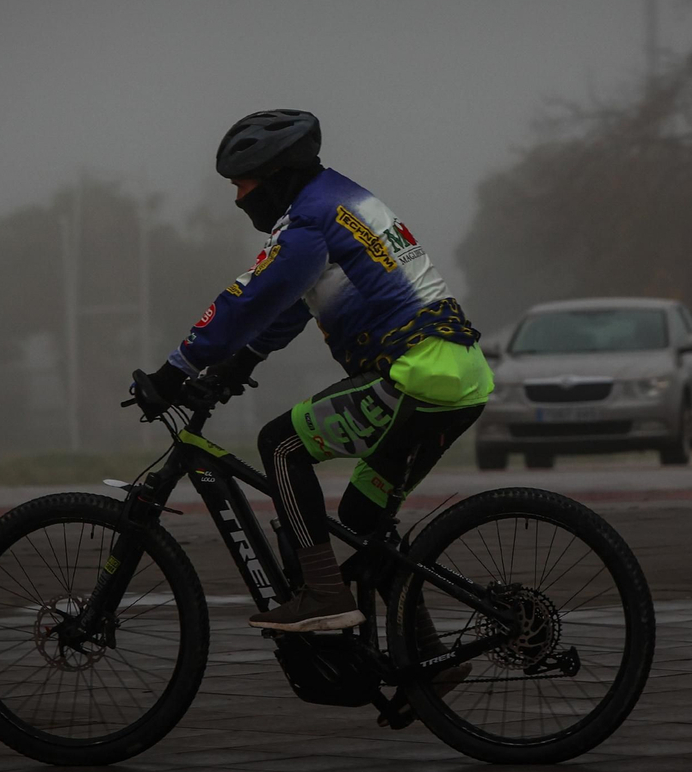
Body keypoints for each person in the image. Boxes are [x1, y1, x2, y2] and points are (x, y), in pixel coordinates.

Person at [137, 109, 494, 633]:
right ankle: (425, 658)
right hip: (459, 377)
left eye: (243, 184)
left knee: (281, 445)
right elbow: (295, 305)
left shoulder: (306, 223)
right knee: (360, 524)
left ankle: (325, 595)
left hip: (416, 375)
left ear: (276, 175)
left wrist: (175, 371)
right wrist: (241, 363)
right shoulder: (336, 202)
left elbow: (251, 300)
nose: (238, 200)